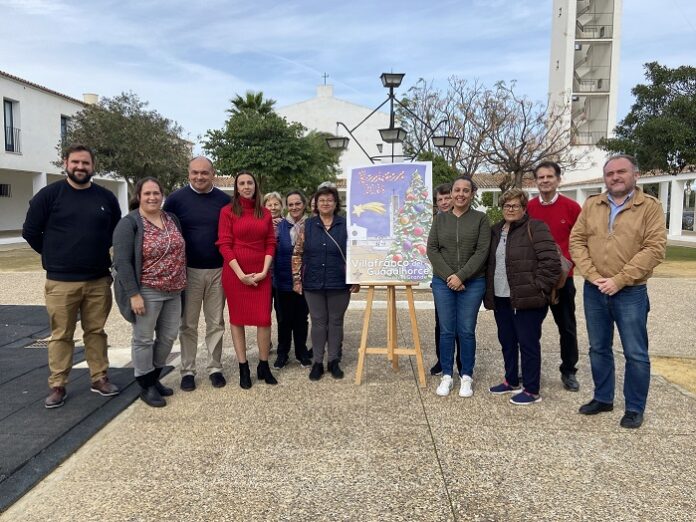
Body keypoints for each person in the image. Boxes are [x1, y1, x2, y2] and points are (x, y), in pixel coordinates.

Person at [570, 154, 666, 429]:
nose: (615, 177)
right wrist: (594, 275)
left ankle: (635, 407)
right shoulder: (592, 205)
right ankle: (603, 397)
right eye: (610, 173)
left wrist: (620, 279)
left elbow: (654, 248)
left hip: (630, 291)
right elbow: (577, 241)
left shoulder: (649, 207)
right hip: (594, 289)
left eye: (621, 172)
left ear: (635, 175)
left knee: (635, 352)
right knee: (598, 348)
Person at [22, 144, 121, 409]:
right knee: (61, 334)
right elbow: (30, 232)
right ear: (66, 163)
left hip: (98, 280)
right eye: (75, 162)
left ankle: (99, 378)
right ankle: (58, 385)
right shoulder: (49, 195)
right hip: (61, 282)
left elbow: (114, 232)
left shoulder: (106, 198)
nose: (80, 167)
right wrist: (54, 255)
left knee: (96, 331)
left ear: (93, 166)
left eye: (85, 163)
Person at [113, 177, 186, 407]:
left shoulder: (170, 218)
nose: (152, 197)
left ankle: (153, 377)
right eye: (147, 194)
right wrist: (134, 294)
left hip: (174, 290)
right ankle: (145, 384)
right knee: (143, 339)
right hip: (146, 290)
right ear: (139, 196)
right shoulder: (129, 223)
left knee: (167, 337)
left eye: (156, 193)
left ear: (162, 194)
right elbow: (122, 262)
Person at [484, 188, 561, 405]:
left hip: (528, 299)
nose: (510, 209)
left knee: (528, 343)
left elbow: (551, 262)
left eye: (515, 205)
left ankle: (531, 389)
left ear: (524, 207)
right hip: (501, 297)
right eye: (506, 205)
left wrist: (538, 288)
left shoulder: (535, 227)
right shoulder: (496, 230)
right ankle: (511, 380)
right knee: (507, 341)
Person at [163, 156, 230, 391]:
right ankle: (188, 370)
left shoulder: (225, 201)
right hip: (187, 272)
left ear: (213, 174)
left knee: (216, 323)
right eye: (195, 173)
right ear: (188, 173)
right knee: (188, 324)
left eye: (204, 172)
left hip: (218, 271)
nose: (199, 177)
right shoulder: (175, 200)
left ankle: (215, 368)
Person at [427, 175, 490, 398]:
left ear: (472, 194)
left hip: (472, 283)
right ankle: (447, 374)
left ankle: (466, 375)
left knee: (465, 330)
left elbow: (482, 252)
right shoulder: (439, 219)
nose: (460, 194)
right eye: (457, 190)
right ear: (451, 193)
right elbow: (432, 249)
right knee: (446, 331)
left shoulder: (481, 219)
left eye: (466, 190)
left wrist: (461, 276)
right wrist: (450, 277)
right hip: (443, 282)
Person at [217, 171, 277, 389]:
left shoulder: (266, 214)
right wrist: (240, 274)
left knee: (264, 319)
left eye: (249, 182)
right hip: (235, 274)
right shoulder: (227, 212)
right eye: (241, 183)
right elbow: (224, 244)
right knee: (237, 319)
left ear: (255, 186)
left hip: (261, 273)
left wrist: (263, 271)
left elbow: (271, 242)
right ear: (236, 187)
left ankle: (263, 365)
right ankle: (244, 367)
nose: (246, 186)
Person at [292, 185, 359, 381]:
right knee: (319, 323)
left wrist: (356, 279)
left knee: (336, 322)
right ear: (316, 204)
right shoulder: (308, 226)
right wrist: (297, 279)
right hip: (313, 282)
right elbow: (297, 253)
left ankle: (334, 361)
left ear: (336, 203)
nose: (326, 203)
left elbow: (356, 253)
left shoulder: (346, 225)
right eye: (322, 200)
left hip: (339, 282)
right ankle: (318, 362)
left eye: (330, 200)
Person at [527, 161, 582, 392]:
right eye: (541, 177)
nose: (545, 180)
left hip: (562, 279)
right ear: (536, 181)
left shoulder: (572, 208)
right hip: (535, 279)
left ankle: (568, 370)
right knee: (529, 328)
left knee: (567, 327)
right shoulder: (528, 208)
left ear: (558, 179)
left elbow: (580, 241)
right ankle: (529, 369)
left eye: (550, 176)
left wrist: (567, 265)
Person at [273, 190, 312, 369]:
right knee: (283, 319)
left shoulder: (311, 225)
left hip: (305, 281)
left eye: (298, 203)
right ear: (286, 206)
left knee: (301, 319)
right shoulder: (279, 226)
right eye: (291, 204)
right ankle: (282, 353)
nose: (294, 207)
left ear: (303, 205)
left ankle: (301, 353)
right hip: (282, 280)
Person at [429, 183, 462, 377]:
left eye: (446, 198)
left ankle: (460, 362)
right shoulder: (433, 221)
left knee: (461, 325)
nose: (443, 202)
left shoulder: (462, 219)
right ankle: (442, 360)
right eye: (439, 200)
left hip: (461, 278)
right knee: (441, 323)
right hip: (440, 279)